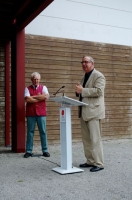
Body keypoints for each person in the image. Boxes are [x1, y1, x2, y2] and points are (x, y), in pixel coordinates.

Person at [75, 56, 106, 172]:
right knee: (86, 139)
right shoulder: (83, 77)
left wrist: (82, 90)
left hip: (94, 112)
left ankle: (99, 163)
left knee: (95, 139)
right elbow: (82, 92)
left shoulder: (99, 76)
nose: (84, 64)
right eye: (82, 62)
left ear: (92, 63)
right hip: (84, 112)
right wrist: (77, 91)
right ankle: (90, 161)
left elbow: (99, 91)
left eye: (86, 62)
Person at [24, 72, 50, 158]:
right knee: (30, 132)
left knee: (43, 132)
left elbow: (45, 97)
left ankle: (45, 150)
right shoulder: (27, 88)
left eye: (37, 79)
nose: (36, 81)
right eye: (34, 79)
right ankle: (28, 151)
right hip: (31, 113)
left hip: (41, 113)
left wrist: (33, 97)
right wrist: (39, 98)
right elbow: (27, 99)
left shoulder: (44, 87)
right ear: (31, 80)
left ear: (39, 79)